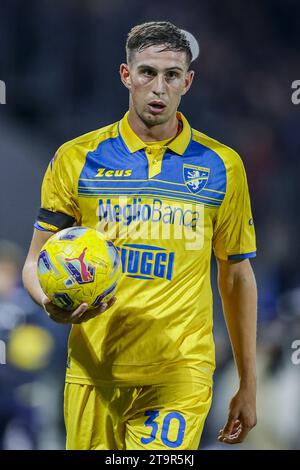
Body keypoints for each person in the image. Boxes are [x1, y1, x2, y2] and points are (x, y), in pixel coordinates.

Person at [22, 21, 257, 450]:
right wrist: (49, 304)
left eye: (171, 76)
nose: (158, 88)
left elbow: (237, 275)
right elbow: (35, 262)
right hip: (93, 372)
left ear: (187, 82)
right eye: (147, 72)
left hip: (178, 374)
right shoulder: (76, 158)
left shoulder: (223, 165)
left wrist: (247, 382)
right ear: (126, 75)